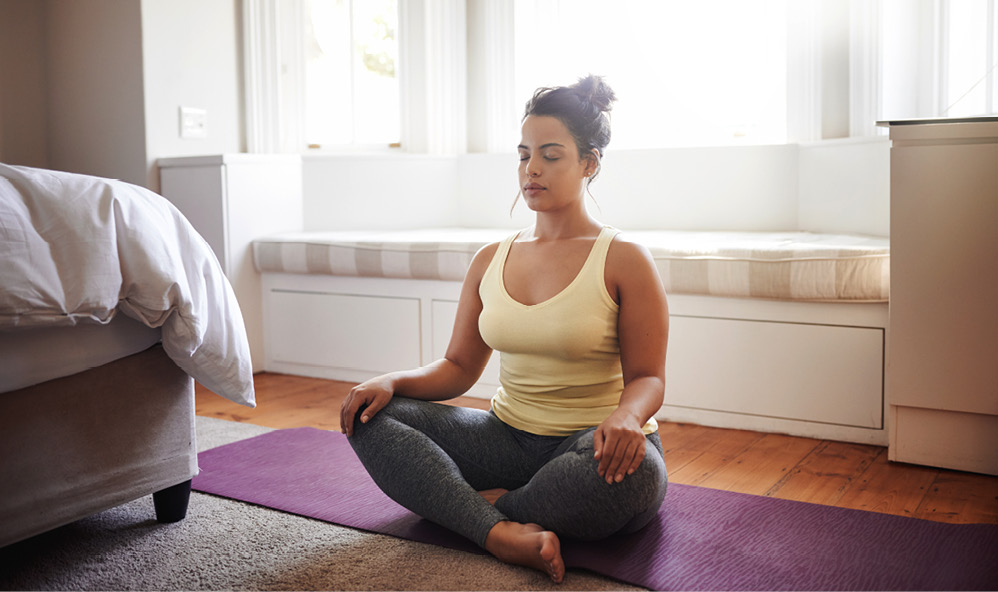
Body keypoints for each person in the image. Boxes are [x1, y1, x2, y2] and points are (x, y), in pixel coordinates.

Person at [339, 75, 669, 584]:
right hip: (505, 439)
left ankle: (474, 507)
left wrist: (627, 416)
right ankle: (500, 532)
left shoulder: (624, 259)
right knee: (368, 417)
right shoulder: (490, 259)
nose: (531, 169)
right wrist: (392, 382)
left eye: (551, 155)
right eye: (523, 154)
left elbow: (649, 377)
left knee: (637, 475)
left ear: (590, 162)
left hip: (591, 446)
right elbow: (457, 368)